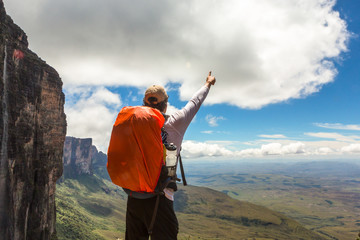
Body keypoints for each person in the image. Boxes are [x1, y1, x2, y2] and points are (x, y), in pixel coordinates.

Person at [125, 71, 216, 240]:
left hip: (134, 198)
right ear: (165, 105)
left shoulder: (133, 122)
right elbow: (194, 102)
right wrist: (208, 83)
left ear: (144, 104)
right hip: (160, 198)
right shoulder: (175, 123)